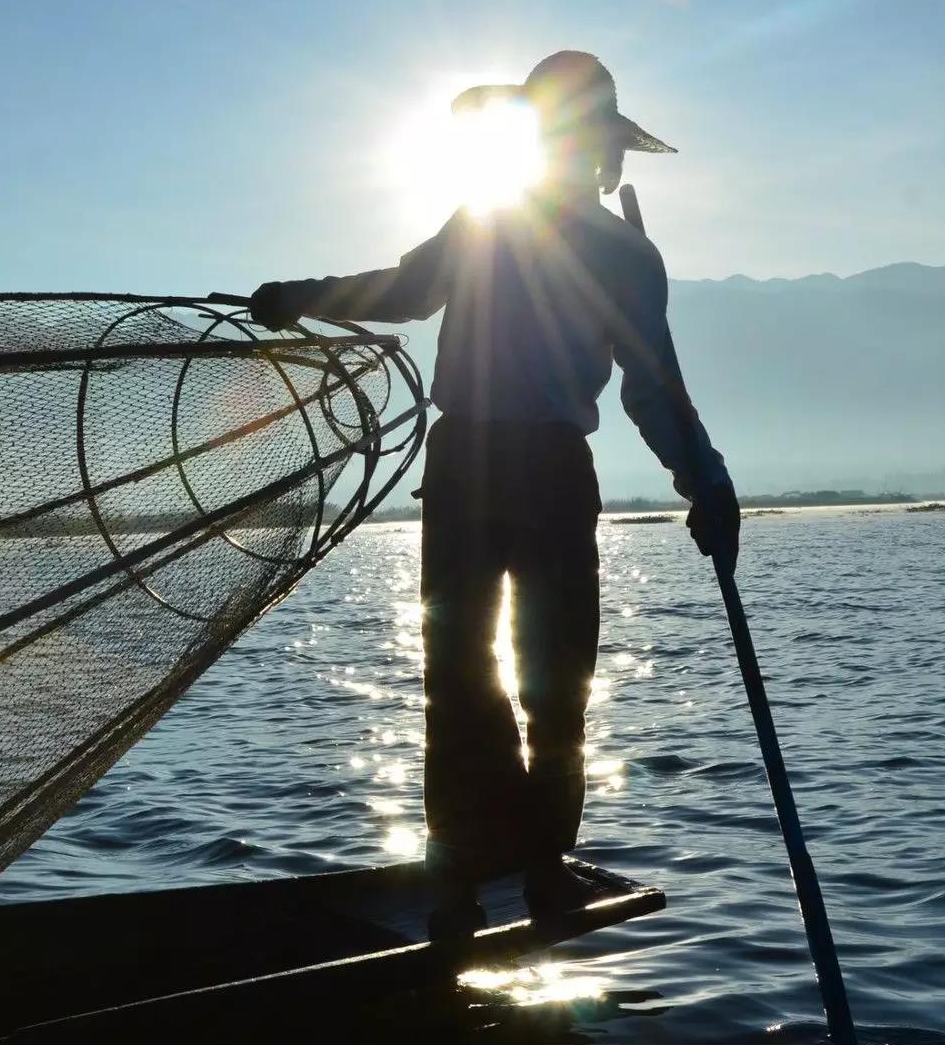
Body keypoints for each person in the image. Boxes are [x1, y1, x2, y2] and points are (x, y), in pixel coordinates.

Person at [243, 51, 740, 936]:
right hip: (474, 459)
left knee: (551, 678)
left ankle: (531, 860)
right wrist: (300, 298)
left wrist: (705, 482)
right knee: (465, 672)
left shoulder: (623, 254)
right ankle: (473, 862)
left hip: (544, 466)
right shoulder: (490, 224)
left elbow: (653, 386)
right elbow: (402, 290)